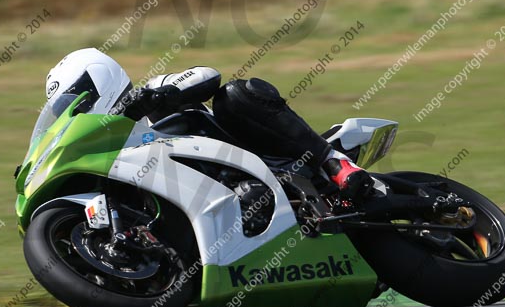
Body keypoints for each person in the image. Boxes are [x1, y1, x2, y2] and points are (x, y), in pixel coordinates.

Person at [45, 48, 373, 200]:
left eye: (77, 98)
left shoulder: (150, 94)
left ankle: (335, 163)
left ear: (98, 80)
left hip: (261, 160)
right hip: (214, 197)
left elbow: (207, 74)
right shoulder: (107, 150)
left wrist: (160, 95)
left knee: (235, 95)